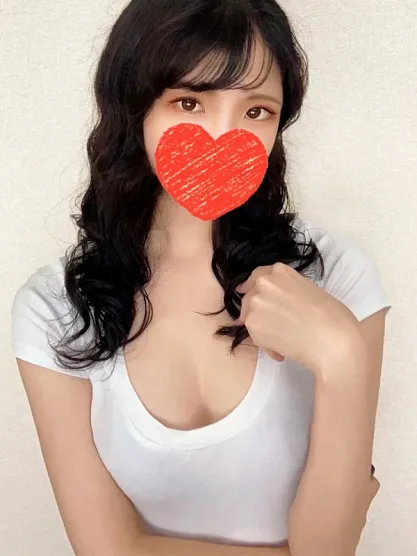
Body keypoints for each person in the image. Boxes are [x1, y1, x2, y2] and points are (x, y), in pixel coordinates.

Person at [11, 1, 390, 555]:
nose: (223, 134)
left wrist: (344, 360)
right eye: (189, 102)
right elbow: (108, 549)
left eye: (256, 110)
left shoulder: (336, 276)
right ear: (133, 107)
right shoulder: (56, 309)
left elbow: (330, 548)